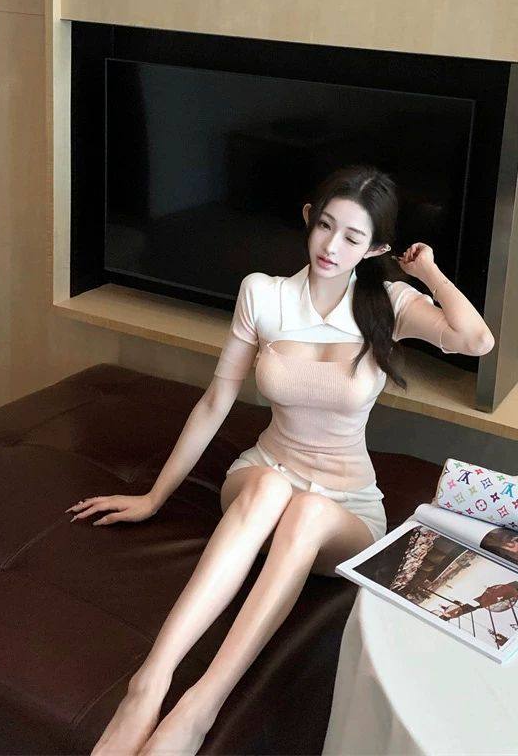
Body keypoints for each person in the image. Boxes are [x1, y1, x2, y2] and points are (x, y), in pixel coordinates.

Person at [69, 164, 495, 756]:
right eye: (325, 226)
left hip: (343, 509)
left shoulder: (389, 303)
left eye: (353, 237)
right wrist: (154, 496)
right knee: (271, 487)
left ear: (376, 248)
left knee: (309, 511)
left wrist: (427, 273)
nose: (332, 246)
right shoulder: (263, 294)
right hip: (261, 477)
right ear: (308, 218)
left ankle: (199, 706)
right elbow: (216, 401)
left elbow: (476, 341)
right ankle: (148, 685)